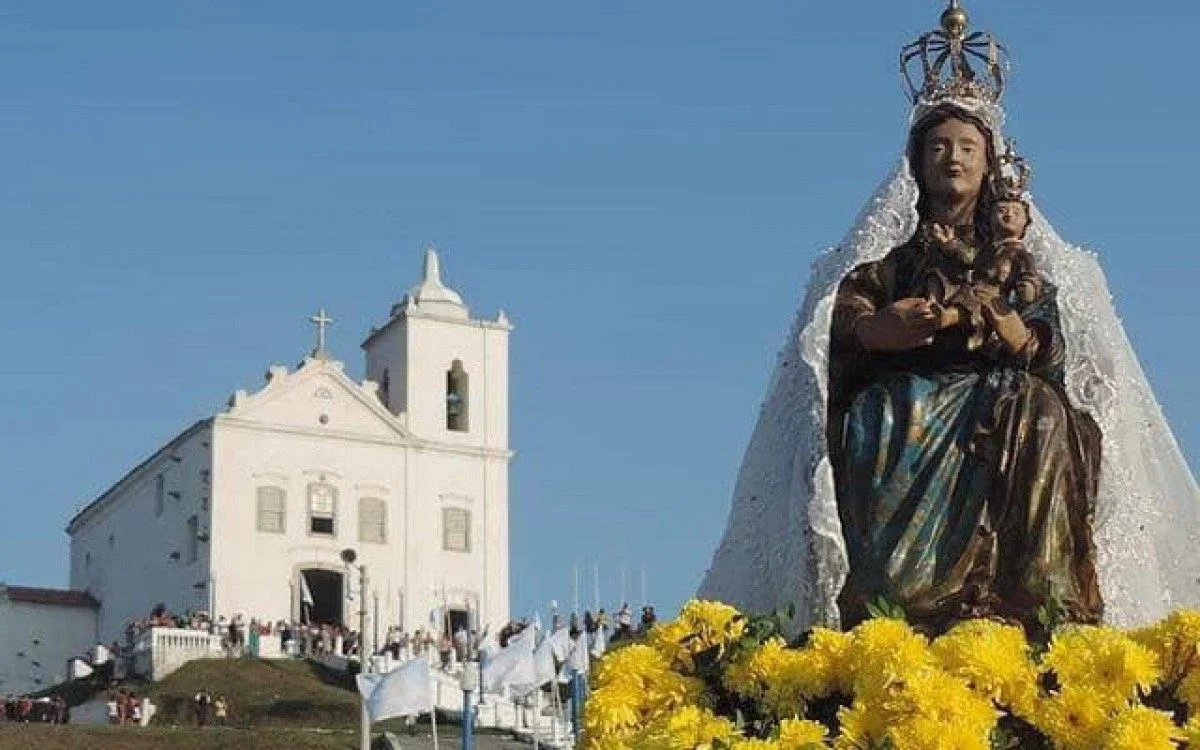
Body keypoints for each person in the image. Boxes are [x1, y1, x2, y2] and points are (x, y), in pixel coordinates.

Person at [700, 0, 1200, 635]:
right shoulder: (889, 265)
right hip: (910, 401)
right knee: (884, 413)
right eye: (939, 146)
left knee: (1040, 411)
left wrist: (1021, 335)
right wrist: (883, 330)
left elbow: (1049, 345)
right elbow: (847, 323)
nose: (953, 159)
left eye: (967, 146)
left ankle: (1041, 611)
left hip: (1002, 400)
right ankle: (896, 605)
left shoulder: (1017, 263)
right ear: (917, 164)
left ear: (990, 163)